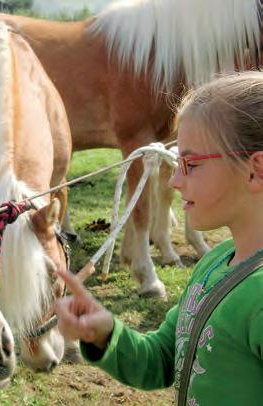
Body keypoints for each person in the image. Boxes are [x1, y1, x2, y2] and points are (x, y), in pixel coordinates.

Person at [55, 72, 263, 405]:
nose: (174, 181)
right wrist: (105, 332)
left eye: (190, 164)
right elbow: (163, 358)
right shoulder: (213, 263)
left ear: (255, 169)